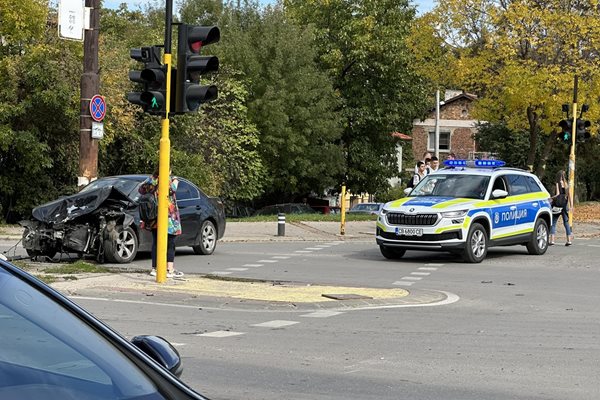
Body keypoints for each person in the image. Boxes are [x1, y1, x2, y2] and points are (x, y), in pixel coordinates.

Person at [138, 166, 184, 278]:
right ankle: (169, 269)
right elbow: (172, 189)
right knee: (171, 242)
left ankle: (155, 268)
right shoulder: (167, 179)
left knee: (156, 242)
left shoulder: (151, 180)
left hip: (154, 216)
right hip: (168, 215)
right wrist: (176, 181)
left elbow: (141, 189)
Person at [549, 170, 573, 246]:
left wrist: (550, 198)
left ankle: (552, 240)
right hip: (565, 205)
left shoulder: (557, 183)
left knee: (553, 222)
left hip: (557, 205)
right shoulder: (566, 184)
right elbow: (569, 196)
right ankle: (569, 240)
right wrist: (571, 206)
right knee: (566, 222)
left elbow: (558, 194)